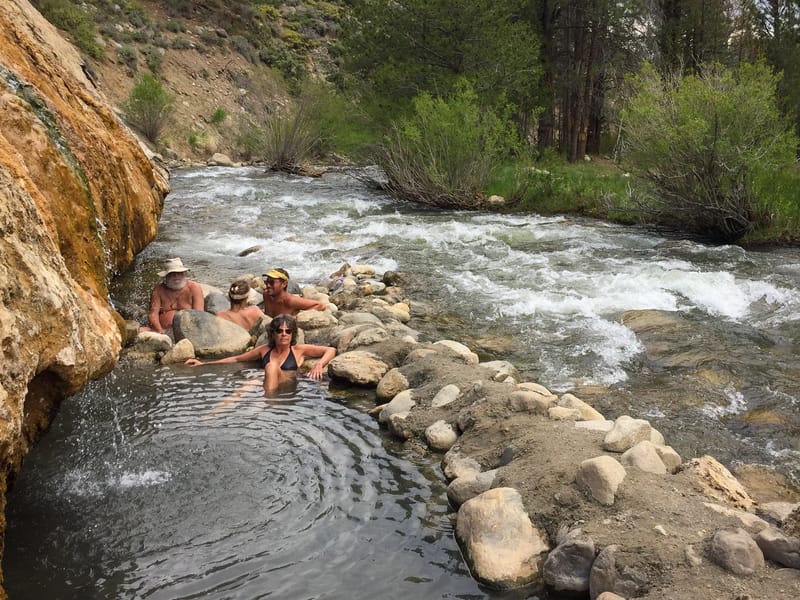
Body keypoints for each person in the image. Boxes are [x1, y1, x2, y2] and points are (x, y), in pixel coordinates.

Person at [185, 314, 336, 393]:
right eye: (279, 331)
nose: (284, 334)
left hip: (288, 383)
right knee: (246, 385)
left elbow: (331, 350)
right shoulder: (264, 350)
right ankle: (216, 414)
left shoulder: (299, 350)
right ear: (273, 334)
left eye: (288, 331)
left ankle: (267, 405)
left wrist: (319, 364)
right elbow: (237, 358)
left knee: (270, 367)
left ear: (292, 334)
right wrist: (203, 364)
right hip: (266, 383)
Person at [143, 257, 204, 333]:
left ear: (183, 274)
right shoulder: (158, 290)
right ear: (166, 276)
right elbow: (153, 314)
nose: (176, 276)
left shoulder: (194, 287)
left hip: (188, 330)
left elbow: (199, 314)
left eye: (179, 272)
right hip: (163, 329)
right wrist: (159, 330)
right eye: (172, 273)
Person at [261, 268, 326, 317]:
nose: (268, 285)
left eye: (272, 282)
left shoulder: (290, 300)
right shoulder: (266, 295)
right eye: (266, 282)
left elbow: (320, 305)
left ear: (284, 284)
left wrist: (296, 318)